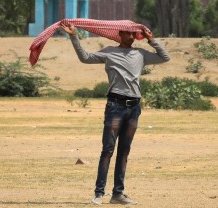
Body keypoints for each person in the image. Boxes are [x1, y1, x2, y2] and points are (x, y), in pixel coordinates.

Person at [60, 19, 170, 205]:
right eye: (127, 33)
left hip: (134, 108)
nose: (131, 37)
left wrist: (152, 40)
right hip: (115, 106)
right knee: (108, 150)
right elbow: (85, 58)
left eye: (134, 34)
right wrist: (74, 37)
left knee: (124, 151)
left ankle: (118, 194)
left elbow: (164, 57)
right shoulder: (110, 52)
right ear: (119, 34)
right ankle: (98, 194)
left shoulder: (141, 54)